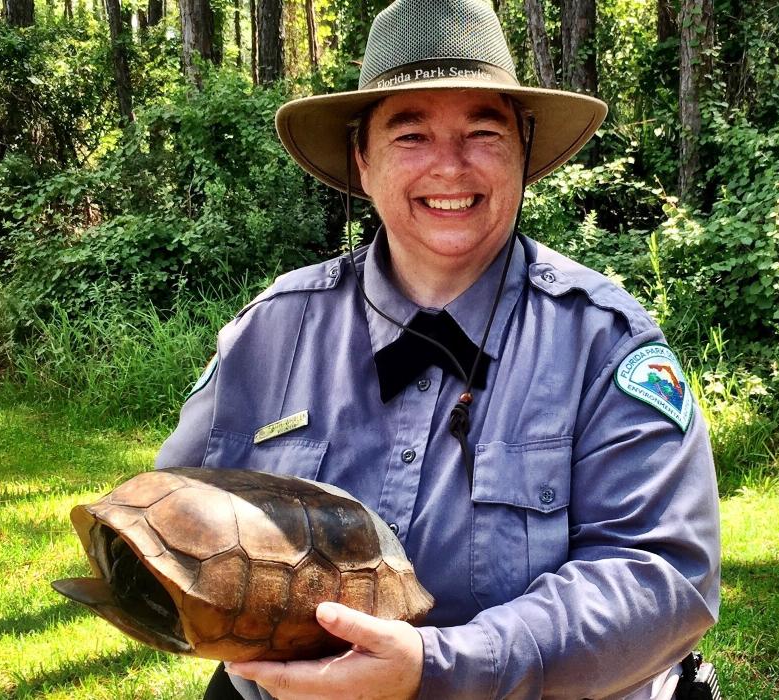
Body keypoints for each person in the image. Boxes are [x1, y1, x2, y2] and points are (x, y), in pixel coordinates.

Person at [155, 0, 721, 698]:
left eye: (483, 130)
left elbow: (661, 577)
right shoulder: (269, 335)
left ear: (524, 152)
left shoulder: (603, 342)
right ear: (362, 160)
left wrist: (440, 668)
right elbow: (176, 527)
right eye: (411, 134)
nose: (450, 167)